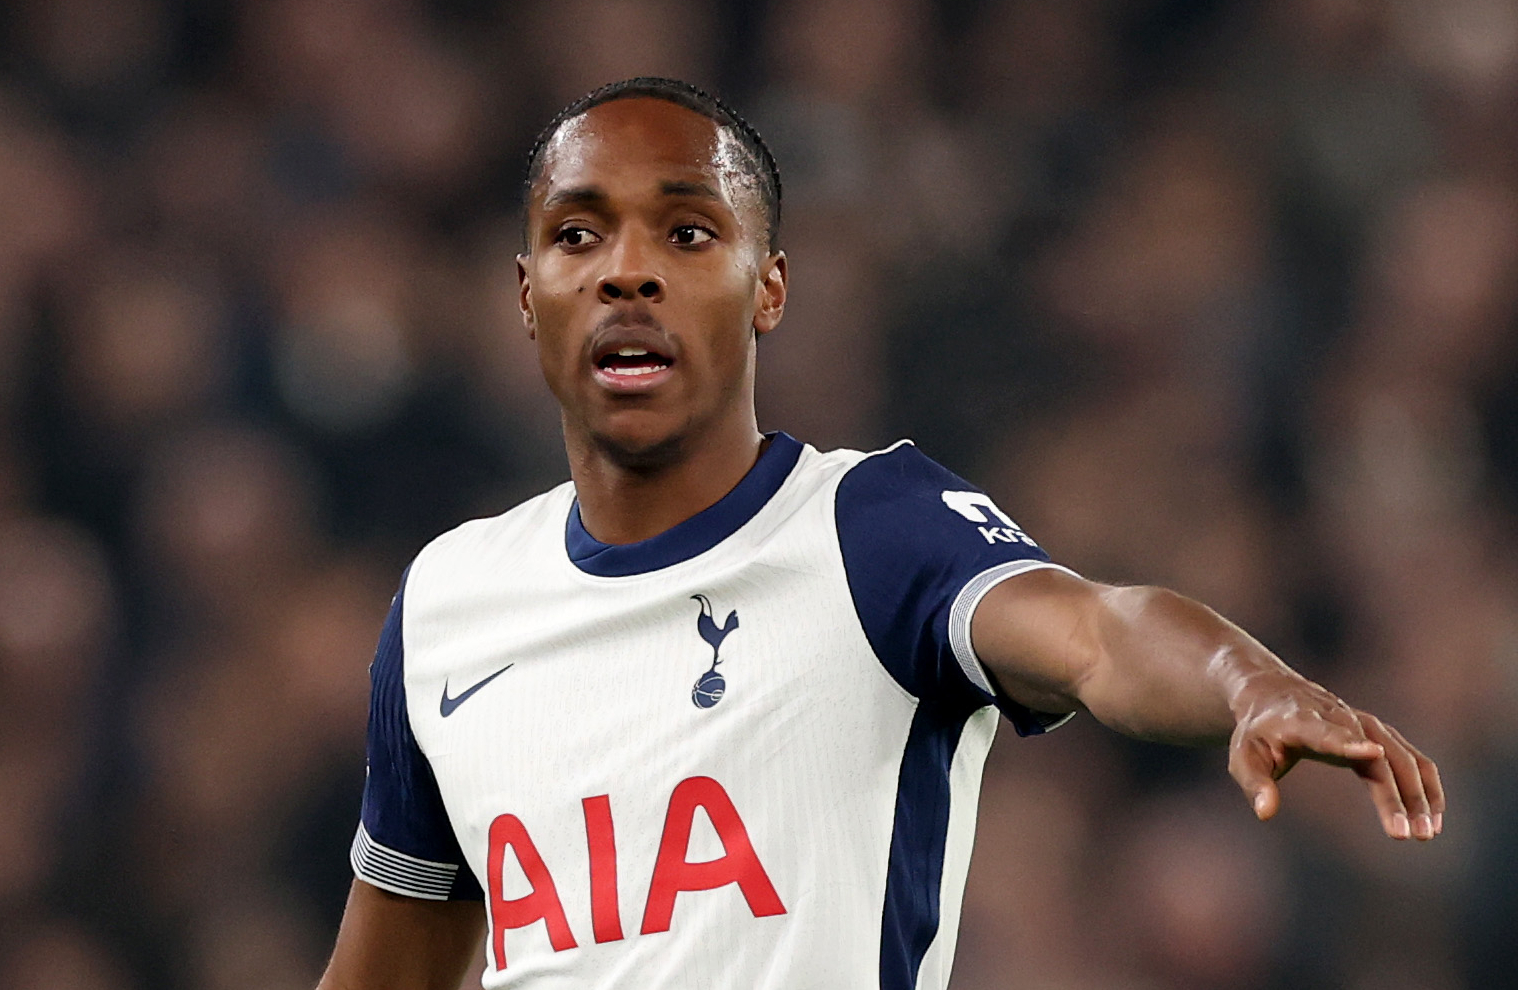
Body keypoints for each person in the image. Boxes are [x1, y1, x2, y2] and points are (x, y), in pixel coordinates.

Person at [317, 78, 1443, 990]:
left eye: (688, 230)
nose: (628, 272)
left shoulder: (866, 530)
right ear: (527, 294)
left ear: (769, 288)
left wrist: (1245, 682)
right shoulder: (448, 606)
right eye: (578, 235)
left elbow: (1098, 633)